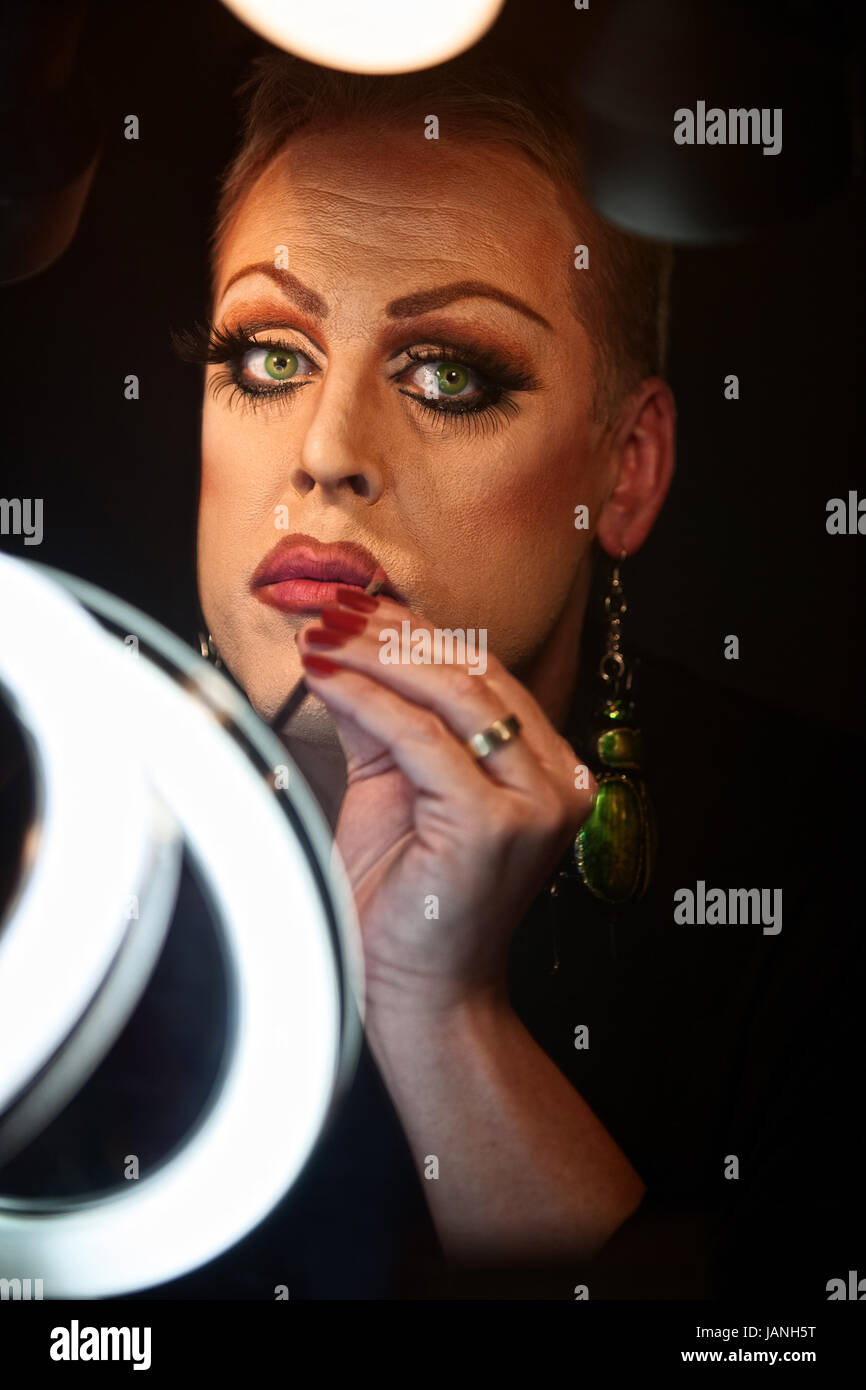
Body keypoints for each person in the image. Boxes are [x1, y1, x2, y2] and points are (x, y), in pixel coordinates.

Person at [170, 50, 862, 1300]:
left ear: (626, 467)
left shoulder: (818, 879)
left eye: (447, 374)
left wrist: (442, 1016)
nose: (325, 454)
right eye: (271, 357)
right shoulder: (48, 829)